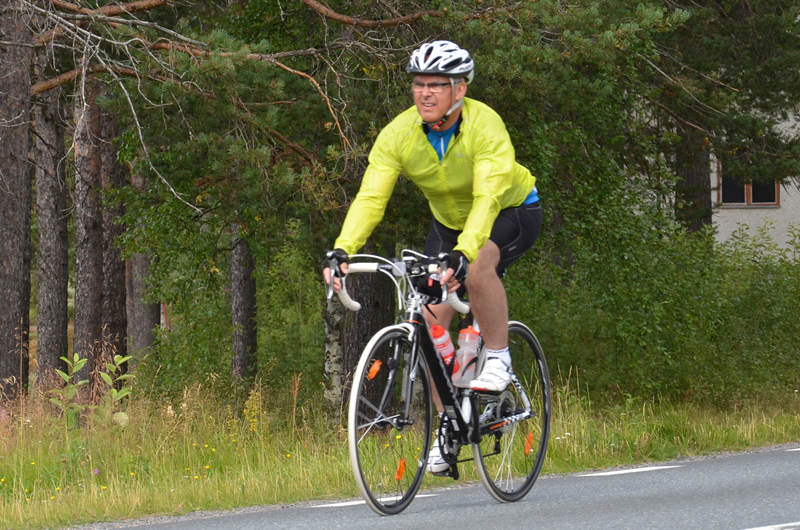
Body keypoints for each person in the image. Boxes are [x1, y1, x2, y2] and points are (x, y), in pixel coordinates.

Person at [323, 40, 542, 473]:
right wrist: (343, 248)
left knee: (477, 267)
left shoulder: (485, 126)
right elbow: (372, 196)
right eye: (418, 84)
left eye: (437, 85)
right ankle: (451, 423)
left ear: (460, 89)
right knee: (427, 319)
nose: (425, 93)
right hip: (448, 225)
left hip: (509, 211)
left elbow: (487, 196)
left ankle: (498, 357)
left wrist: (464, 253)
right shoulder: (399, 133)